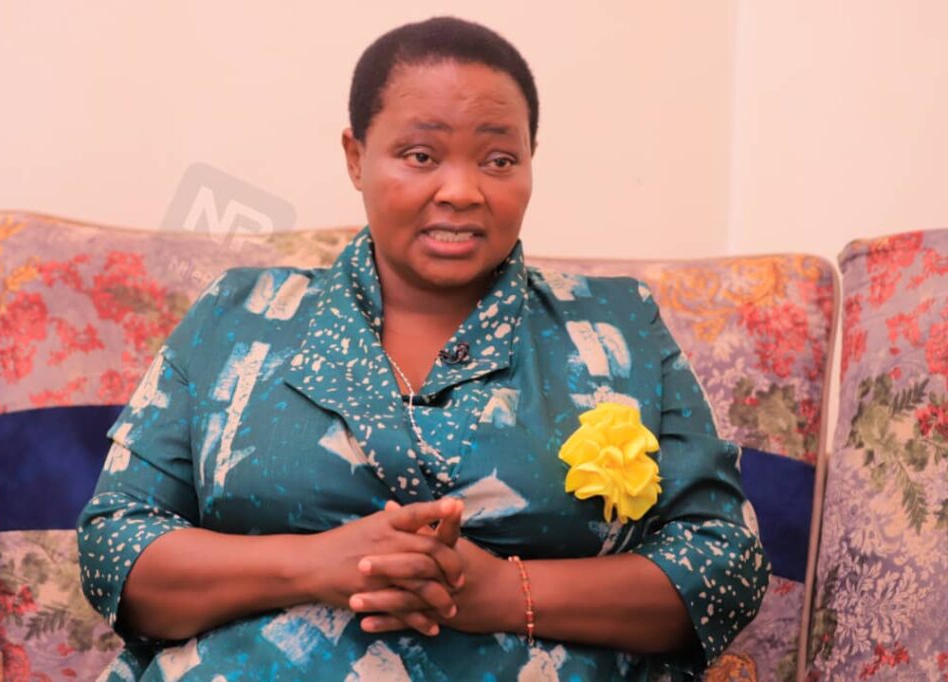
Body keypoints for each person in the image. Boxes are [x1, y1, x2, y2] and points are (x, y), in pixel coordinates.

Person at [78, 16, 768, 681]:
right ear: (356, 157)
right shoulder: (240, 317)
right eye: (420, 156)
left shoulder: (616, 328)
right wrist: (317, 565)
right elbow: (116, 547)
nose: (462, 191)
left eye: (499, 160)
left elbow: (725, 564)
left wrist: (502, 592)